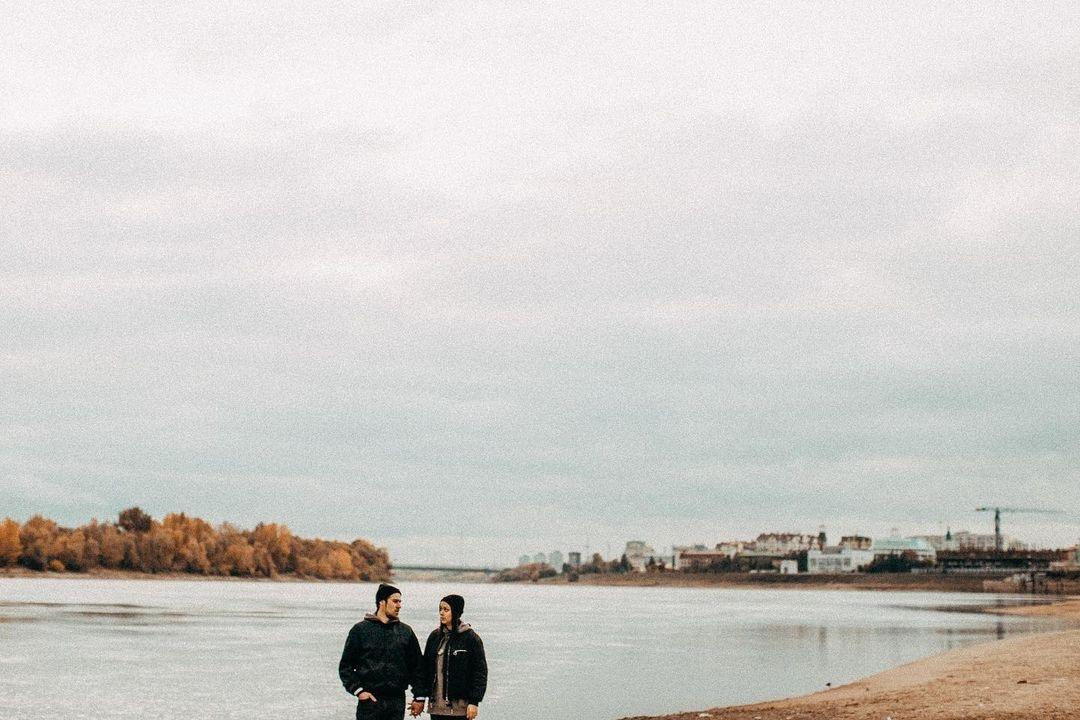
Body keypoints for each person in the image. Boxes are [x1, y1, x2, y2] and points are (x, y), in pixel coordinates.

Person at [338, 583, 424, 720]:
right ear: (382, 602)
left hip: (396, 701)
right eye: (395, 601)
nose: (399, 605)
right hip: (370, 701)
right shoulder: (360, 630)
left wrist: (419, 697)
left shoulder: (405, 632)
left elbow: (417, 667)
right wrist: (358, 691)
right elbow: (345, 666)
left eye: (400, 602)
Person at [411, 594, 488, 720]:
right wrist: (419, 697)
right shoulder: (434, 637)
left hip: (460, 710)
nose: (441, 613)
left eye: (446, 610)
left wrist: (474, 701)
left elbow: (480, 672)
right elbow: (424, 670)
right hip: (436, 708)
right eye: (440, 609)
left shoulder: (470, 638)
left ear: (456, 612)